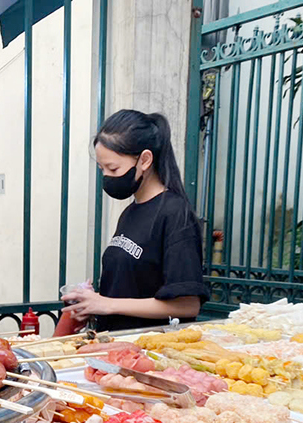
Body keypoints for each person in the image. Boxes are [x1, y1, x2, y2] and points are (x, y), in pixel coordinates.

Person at [61, 110, 209, 332]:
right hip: (113, 345)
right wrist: (92, 302)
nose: (108, 177)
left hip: (147, 352)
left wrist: (107, 304)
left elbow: (187, 305)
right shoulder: (130, 212)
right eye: (102, 169)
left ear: (145, 160)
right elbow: (130, 289)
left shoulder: (175, 213)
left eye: (113, 168)